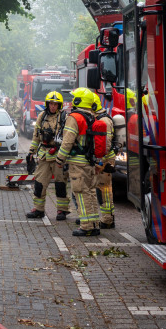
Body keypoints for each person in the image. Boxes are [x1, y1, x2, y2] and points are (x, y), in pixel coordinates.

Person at [56, 88, 102, 237]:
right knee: (91, 193)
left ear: (78, 101)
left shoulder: (75, 117)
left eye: (74, 98)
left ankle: (86, 226)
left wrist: (60, 159)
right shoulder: (92, 117)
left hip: (78, 163)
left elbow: (67, 141)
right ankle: (94, 224)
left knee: (81, 194)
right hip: (90, 162)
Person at [25, 91, 70, 221]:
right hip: (44, 155)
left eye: (55, 104)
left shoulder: (64, 118)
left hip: (58, 155)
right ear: (47, 104)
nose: (53, 106)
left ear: (59, 105)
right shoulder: (41, 116)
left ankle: (62, 210)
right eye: (51, 103)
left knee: (60, 184)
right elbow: (35, 137)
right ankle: (38, 209)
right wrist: (31, 152)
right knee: (39, 183)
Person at [92, 99, 117, 229]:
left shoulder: (104, 121)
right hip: (103, 159)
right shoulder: (100, 118)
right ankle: (107, 218)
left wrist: (100, 161)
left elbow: (106, 144)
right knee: (101, 189)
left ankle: (107, 220)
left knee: (104, 190)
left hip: (105, 160)